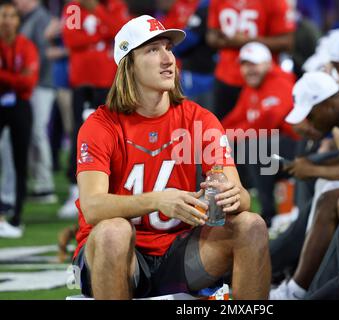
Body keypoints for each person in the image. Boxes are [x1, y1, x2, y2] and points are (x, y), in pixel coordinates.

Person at [72, 15, 270, 299]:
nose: (168, 59)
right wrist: (158, 199)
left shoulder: (200, 120)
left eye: (169, 48)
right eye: (153, 50)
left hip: (180, 252)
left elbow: (243, 198)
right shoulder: (100, 125)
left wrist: (233, 197)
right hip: (119, 257)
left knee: (251, 225)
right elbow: (92, 207)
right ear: (129, 64)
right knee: (113, 231)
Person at [270, 70, 339, 299]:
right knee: (324, 187)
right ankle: (301, 273)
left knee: (328, 197)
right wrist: (309, 165)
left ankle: (298, 288)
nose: (310, 122)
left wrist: (313, 169)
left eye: (311, 115)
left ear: (327, 104)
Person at [58, 0, 129, 219]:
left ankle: (113, 186)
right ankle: (75, 189)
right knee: (81, 133)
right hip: (83, 82)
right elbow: (71, 40)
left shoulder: (114, 5)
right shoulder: (73, 7)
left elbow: (122, 33)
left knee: (116, 134)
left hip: (109, 81)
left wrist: (97, 12)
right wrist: (103, 33)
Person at [222, 41, 298, 227]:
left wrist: (233, 136)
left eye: (253, 64)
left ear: (268, 64)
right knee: (220, 149)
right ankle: (233, 210)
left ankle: (268, 213)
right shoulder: (250, 88)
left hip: (294, 144)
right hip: (268, 143)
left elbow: (270, 121)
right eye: (245, 65)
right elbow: (234, 119)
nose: (249, 70)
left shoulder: (280, 81)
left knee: (253, 148)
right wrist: (217, 136)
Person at [206, 0, 295, 120]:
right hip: (226, 77)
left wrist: (244, 41)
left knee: (259, 133)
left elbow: (287, 42)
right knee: (222, 130)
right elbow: (211, 34)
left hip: (261, 78)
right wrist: (226, 41)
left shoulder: (275, 2)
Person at [0, 2, 39, 238]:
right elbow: (22, 79)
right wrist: (17, 77)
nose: (7, 20)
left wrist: (5, 78)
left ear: (18, 20)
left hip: (20, 105)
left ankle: (16, 217)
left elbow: (29, 82)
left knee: (20, 160)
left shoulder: (26, 45)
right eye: (3, 15)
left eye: (11, 15)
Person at [14, 0, 57, 203]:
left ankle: (45, 185)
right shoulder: (29, 18)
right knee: (32, 132)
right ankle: (39, 183)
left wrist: (31, 76)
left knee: (38, 131)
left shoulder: (40, 18)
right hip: (34, 84)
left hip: (42, 83)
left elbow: (45, 53)